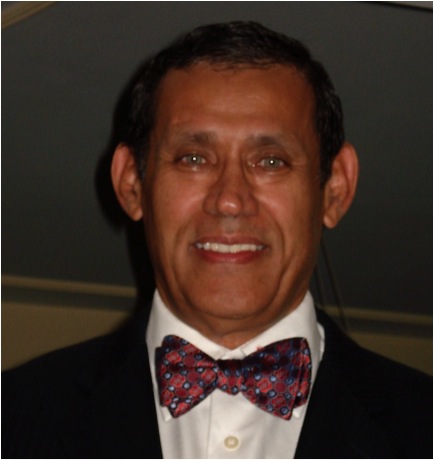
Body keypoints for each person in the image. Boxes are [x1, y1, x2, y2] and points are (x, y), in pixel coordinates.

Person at [2, 21, 432, 459]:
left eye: (271, 161)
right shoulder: (13, 419)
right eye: (193, 158)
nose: (229, 200)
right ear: (132, 183)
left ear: (335, 189)